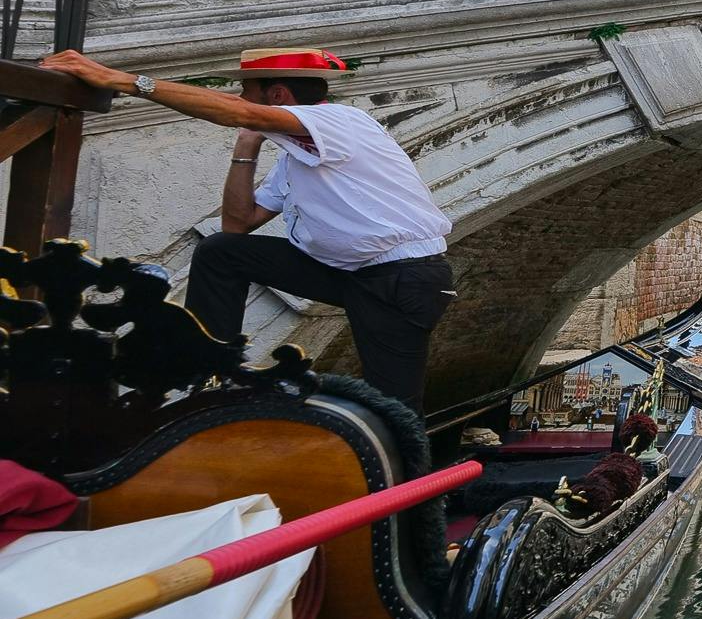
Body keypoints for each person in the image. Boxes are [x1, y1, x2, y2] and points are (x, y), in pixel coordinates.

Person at [38, 47, 456, 413]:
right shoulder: (294, 158)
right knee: (222, 251)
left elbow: (237, 112)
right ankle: (209, 364)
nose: (240, 101)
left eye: (247, 91)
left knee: (393, 407)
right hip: (351, 275)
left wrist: (124, 81)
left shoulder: (341, 120)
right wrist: (245, 148)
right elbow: (237, 225)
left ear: (276, 96)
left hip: (405, 279)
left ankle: (409, 497)